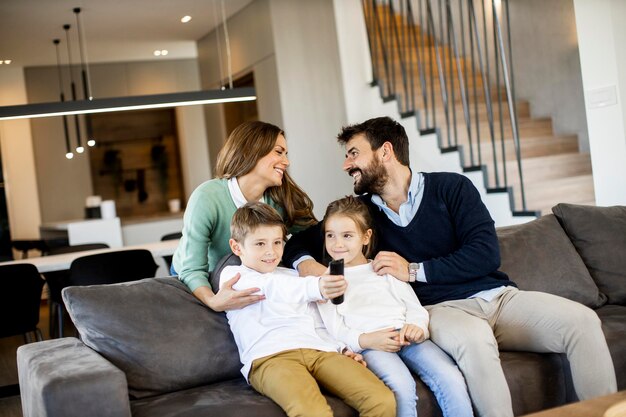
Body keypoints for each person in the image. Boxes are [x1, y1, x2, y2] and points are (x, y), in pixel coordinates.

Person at [283, 116, 617, 417]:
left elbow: (485, 254)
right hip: (440, 310)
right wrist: (308, 264)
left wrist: (413, 270)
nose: (346, 164)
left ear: (385, 152)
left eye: (354, 153)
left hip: (500, 298)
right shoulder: (362, 213)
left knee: (583, 321)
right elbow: (297, 244)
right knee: (475, 341)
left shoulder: (452, 188)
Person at [220, 202, 396, 417]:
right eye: (260, 244)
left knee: (381, 400)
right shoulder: (234, 277)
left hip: (321, 351)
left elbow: (317, 321)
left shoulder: (293, 276)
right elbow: (273, 288)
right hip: (271, 358)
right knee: (314, 412)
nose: (271, 251)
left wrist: (341, 348)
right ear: (237, 247)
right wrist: (317, 286)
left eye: (277, 242)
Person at [317, 196, 473, 417]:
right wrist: (367, 340)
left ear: (365, 236)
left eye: (347, 236)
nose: (337, 244)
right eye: (330, 235)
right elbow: (335, 330)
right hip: (371, 345)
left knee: (449, 375)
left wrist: (417, 326)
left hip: (407, 337)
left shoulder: (384, 268)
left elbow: (414, 308)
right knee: (401, 386)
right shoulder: (328, 282)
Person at [171, 121, 317, 312]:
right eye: (279, 152)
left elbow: (313, 236)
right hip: (197, 274)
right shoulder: (207, 197)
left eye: (286, 154)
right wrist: (213, 301)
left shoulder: (280, 198)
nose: (286, 162)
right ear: (252, 151)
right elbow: (192, 269)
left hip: (246, 271)